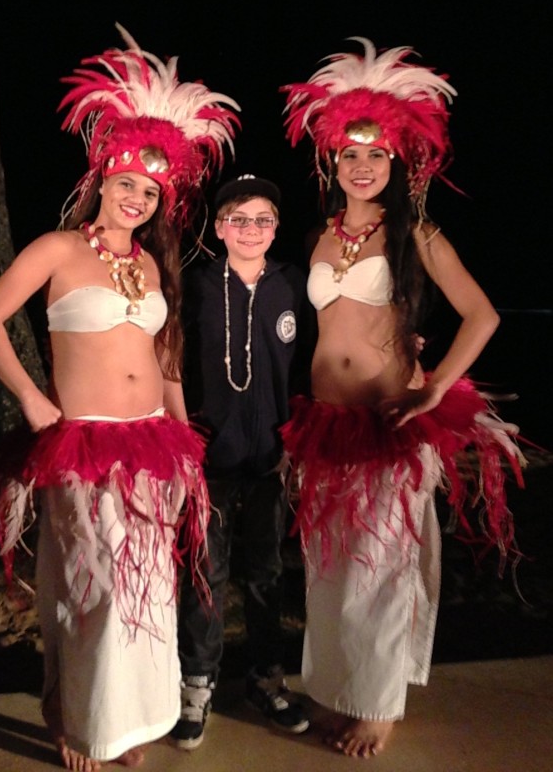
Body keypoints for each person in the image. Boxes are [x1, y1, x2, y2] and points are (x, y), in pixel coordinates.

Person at [0, 26, 239, 772]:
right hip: (84, 442)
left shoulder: (154, 265)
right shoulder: (58, 251)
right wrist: (29, 396)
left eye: (150, 192)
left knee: (146, 591)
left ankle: (124, 723)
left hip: (155, 441)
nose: (136, 197)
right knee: (91, 588)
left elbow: (166, 357)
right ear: (102, 180)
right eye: (126, 184)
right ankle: (75, 715)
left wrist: (188, 447)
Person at [279, 38, 524, 758]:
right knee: (328, 569)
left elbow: (483, 315)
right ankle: (333, 690)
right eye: (351, 155)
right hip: (325, 422)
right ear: (331, 161)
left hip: (388, 420)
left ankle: (378, 703)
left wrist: (436, 386)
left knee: (382, 570)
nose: (362, 166)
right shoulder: (319, 237)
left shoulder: (417, 234)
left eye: (377, 155)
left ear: (397, 164)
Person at [170, 174, 312, 750]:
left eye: (262, 219)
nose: (250, 229)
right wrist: (182, 440)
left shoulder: (293, 285)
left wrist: (297, 442)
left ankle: (266, 679)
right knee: (204, 575)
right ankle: (196, 687)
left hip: (271, 462)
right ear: (219, 226)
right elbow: (168, 360)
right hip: (209, 459)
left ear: (276, 227)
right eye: (238, 218)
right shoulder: (195, 283)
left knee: (267, 577)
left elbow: (313, 363)